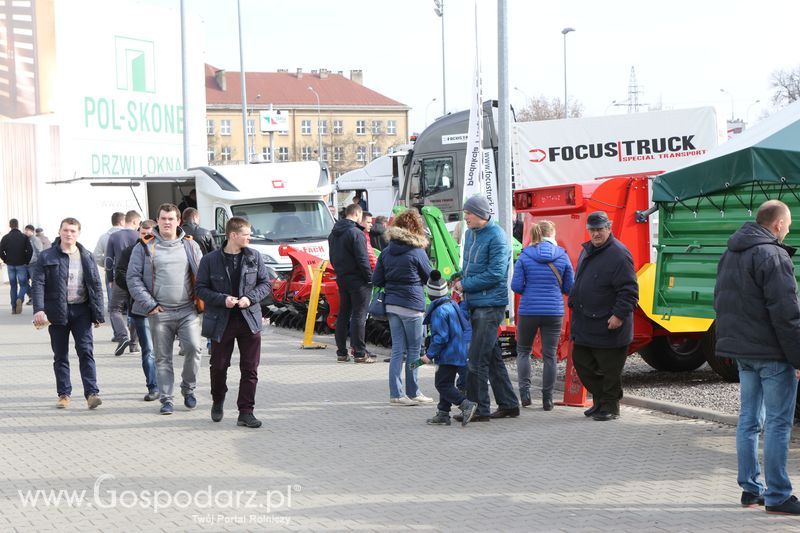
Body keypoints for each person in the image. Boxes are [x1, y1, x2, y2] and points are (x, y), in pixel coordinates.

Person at [714, 199, 800, 515]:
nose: (789, 229)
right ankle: (778, 496)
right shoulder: (773, 255)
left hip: (743, 352)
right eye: (789, 224)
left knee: (749, 420)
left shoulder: (731, 253)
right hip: (772, 353)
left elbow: (721, 301)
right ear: (778, 224)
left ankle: (751, 490)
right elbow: (787, 313)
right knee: (778, 423)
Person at [127, 203, 204, 415]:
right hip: (160, 312)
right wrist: (150, 305)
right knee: (163, 358)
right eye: (163, 218)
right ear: (157, 220)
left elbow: (202, 275)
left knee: (194, 349)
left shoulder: (191, 245)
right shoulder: (144, 246)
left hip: (188, 311)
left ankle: (188, 389)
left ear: (179, 221)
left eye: (171, 219)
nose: (167, 222)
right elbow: (133, 278)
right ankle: (167, 399)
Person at [196, 216, 271, 428]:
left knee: (250, 368)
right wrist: (223, 300)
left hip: (249, 320)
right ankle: (218, 399)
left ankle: (246, 412)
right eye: (246, 234)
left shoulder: (254, 257)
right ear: (233, 235)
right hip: (221, 321)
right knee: (219, 366)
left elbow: (265, 284)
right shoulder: (210, 260)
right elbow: (200, 289)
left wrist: (250, 298)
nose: (250, 238)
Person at [452, 195, 519, 422]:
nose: (465, 217)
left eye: (468, 213)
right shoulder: (470, 234)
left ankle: (479, 408)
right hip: (476, 303)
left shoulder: (498, 237)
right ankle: (509, 404)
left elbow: (495, 274)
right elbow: (471, 267)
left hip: (489, 306)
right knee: (491, 358)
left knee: (476, 360)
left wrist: (466, 284)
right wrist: (459, 276)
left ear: (481, 214)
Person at [568, 211, 638, 422]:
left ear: (609, 228)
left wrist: (618, 315)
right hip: (586, 322)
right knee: (582, 362)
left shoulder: (619, 254)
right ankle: (600, 401)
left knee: (610, 370)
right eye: (592, 230)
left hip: (609, 324)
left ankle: (610, 406)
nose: (596, 234)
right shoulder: (587, 250)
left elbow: (629, 291)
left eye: (600, 229)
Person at [31, 217, 104, 409]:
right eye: (65, 230)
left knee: (86, 351)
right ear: (59, 231)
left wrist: (98, 314)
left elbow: (96, 285)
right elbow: (38, 284)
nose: (68, 234)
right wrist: (39, 309)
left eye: (72, 231)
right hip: (56, 311)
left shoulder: (87, 255)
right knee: (60, 354)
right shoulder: (47, 256)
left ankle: (92, 394)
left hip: (82, 311)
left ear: (78, 233)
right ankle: (64, 394)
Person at [511, 220, 574, 411]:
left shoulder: (525, 256)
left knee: (524, 351)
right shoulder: (562, 256)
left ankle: (525, 394)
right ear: (553, 234)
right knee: (550, 355)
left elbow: (516, 286)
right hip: (553, 311)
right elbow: (569, 287)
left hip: (529, 310)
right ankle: (547, 399)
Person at [373, 209, 434, 405]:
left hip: (392, 306)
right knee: (414, 350)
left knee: (397, 350)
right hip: (412, 306)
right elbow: (430, 277)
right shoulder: (417, 252)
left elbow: (376, 279)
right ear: (416, 228)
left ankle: (396, 394)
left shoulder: (386, 252)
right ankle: (413, 392)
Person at [420, 270, 477, 426]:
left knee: (442, 384)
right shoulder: (451, 304)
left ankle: (465, 405)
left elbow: (441, 337)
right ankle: (443, 413)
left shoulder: (439, 311)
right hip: (458, 350)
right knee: (447, 382)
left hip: (448, 354)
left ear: (430, 294)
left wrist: (429, 355)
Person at [114, 219, 159, 401]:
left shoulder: (163, 249)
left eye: (150, 233)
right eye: (143, 233)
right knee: (148, 349)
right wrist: (137, 289)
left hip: (164, 308)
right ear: (138, 233)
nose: (146, 236)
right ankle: (153, 386)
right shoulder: (130, 251)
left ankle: (167, 384)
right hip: (140, 308)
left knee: (163, 350)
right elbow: (120, 274)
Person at [327, 203, 374, 363]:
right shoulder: (356, 233)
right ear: (357, 214)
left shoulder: (333, 234)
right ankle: (360, 352)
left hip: (342, 278)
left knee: (343, 314)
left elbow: (332, 258)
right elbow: (362, 259)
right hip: (359, 280)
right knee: (359, 315)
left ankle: (341, 352)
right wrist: (370, 278)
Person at [106, 210, 141, 355]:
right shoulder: (139, 236)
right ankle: (134, 345)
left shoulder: (114, 236)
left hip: (120, 278)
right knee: (135, 311)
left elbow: (109, 260)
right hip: (137, 278)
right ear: (134, 221)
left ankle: (122, 336)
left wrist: (110, 279)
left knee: (115, 309)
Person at [0, 218, 33, 314]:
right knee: (23, 284)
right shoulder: (24, 237)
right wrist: (26, 261)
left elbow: (1, 251)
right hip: (21, 264)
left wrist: (6, 260)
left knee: (13, 286)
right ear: (18, 225)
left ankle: (14, 308)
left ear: (10, 226)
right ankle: (20, 298)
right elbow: (30, 251)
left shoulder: (5, 237)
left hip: (10, 265)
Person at [94, 212, 125, 305]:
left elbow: (96, 255)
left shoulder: (104, 237)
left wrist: (106, 264)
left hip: (110, 270)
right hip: (126, 270)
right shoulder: (128, 235)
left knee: (113, 304)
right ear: (122, 221)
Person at [24, 224, 43, 305]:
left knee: (34, 282)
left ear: (32, 231)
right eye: (25, 230)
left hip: (34, 264)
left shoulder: (36, 239)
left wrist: (39, 263)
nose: (25, 232)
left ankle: (34, 299)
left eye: (27, 230)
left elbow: (40, 251)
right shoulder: (25, 239)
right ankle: (31, 296)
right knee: (23, 282)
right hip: (25, 264)